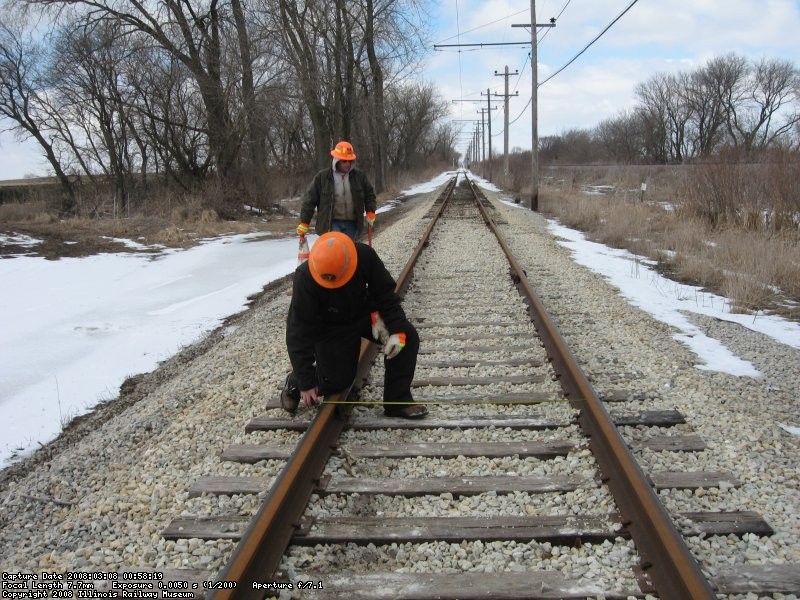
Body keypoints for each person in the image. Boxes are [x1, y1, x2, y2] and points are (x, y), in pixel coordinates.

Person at [280, 231, 428, 419]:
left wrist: (397, 330)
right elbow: (298, 332)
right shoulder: (305, 278)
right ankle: (293, 383)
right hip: (330, 328)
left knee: (408, 336)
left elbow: (386, 296)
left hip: (365, 315)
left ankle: (397, 402)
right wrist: (305, 382)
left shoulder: (364, 256)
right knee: (338, 380)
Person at [296, 141, 377, 241]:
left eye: (350, 161)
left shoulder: (359, 177)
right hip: (331, 224)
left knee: (350, 252)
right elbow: (309, 200)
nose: (347, 164)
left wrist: (370, 211)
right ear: (337, 160)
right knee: (335, 252)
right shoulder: (322, 177)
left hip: (353, 224)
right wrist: (304, 222)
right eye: (344, 161)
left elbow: (369, 195)